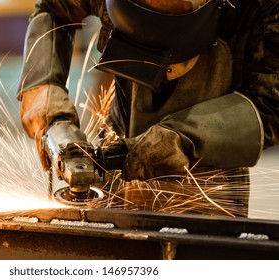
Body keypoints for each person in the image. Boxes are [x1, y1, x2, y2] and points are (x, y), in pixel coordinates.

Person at [17, 0, 279, 216]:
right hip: (118, 156)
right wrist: (43, 85)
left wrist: (184, 138)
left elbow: (272, 106)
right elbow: (54, 8)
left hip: (207, 184)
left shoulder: (264, 8)